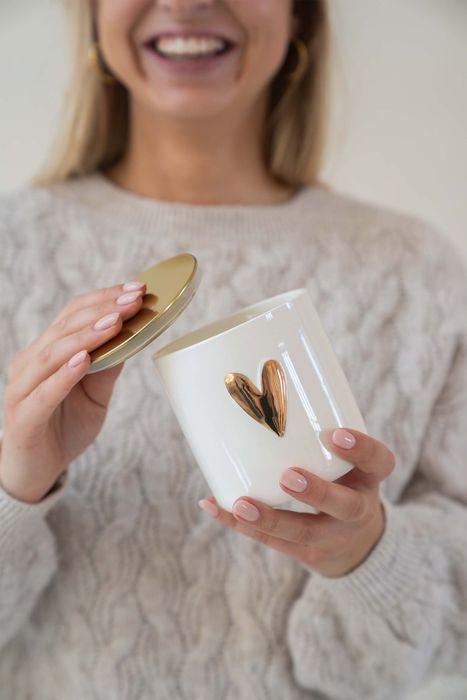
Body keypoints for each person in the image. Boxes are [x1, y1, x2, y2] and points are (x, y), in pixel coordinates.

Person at [0, 1, 466, 698]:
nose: (187, 2)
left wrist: (369, 556)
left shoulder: (415, 270)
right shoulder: (14, 249)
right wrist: (15, 485)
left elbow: (450, 641)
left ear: (300, 17)